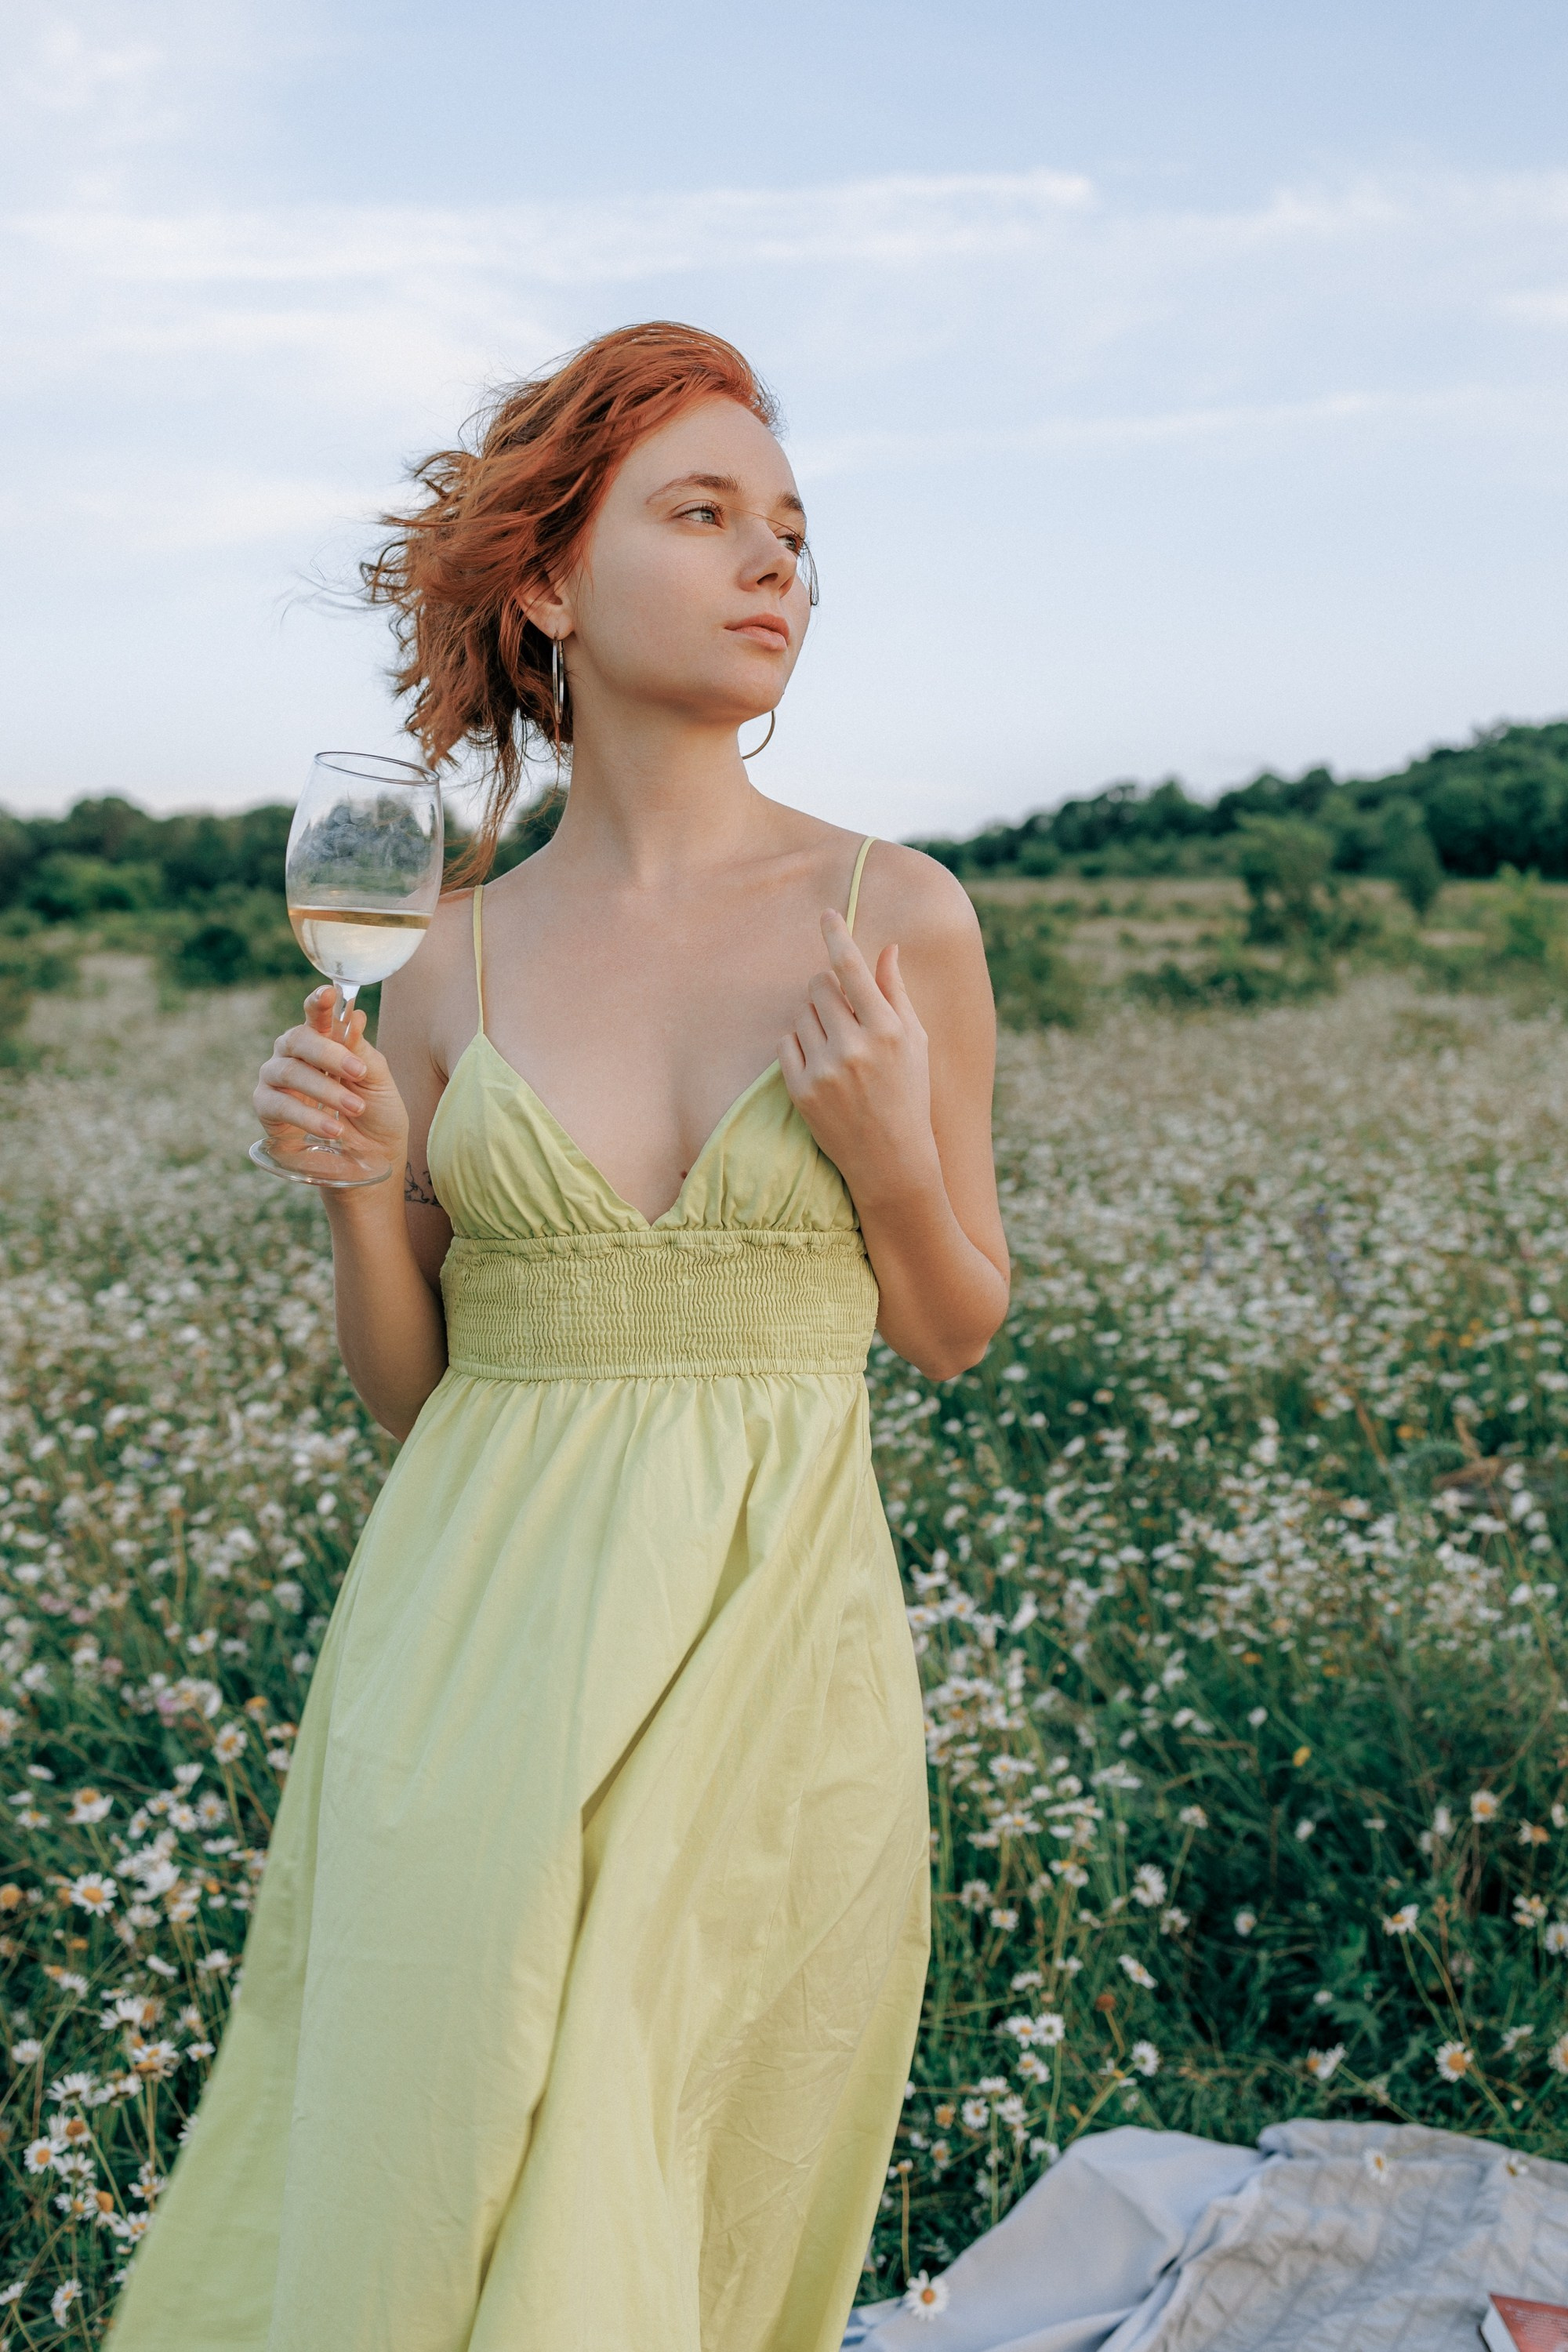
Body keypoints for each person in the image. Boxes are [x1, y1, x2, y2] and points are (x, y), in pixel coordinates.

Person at [109, 321, 1010, 2351]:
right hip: (466, 1662)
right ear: (545, 582)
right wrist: (358, 1193)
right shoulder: (447, 960)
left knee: (681, 2203)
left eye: (791, 527)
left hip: (781, 1673)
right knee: (425, 2194)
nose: (774, 560)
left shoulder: (905, 916)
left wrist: (883, 1155)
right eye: (702, 514)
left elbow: (953, 1325)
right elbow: (422, 1401)